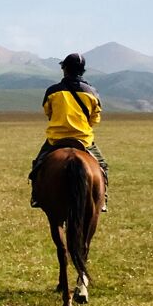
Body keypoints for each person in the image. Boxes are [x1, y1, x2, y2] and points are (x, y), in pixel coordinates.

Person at [29, 53, 109, 211]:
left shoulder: (53, 91)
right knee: (102, 167)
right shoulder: (92, 93)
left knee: (38, 166)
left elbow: (48, 112)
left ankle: (37, 196)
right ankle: (103, 199)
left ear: (64, 69)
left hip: (56, 140)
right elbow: (95, 118)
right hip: (84, 140)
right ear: (82, 71)